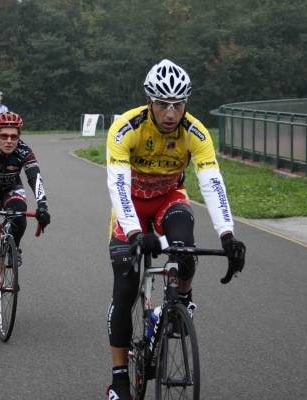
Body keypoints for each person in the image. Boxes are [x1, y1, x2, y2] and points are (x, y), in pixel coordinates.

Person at [105, 59, 246, 399]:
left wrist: (228, 234)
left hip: (170, 197)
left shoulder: (195, 132)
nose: (171, 112)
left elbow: (212, 183)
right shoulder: (126, 128)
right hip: (132, 206)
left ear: (186, 104)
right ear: (149, 101)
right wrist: (136, 234)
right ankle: (119, 380)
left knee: (184, 248)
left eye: (178, 104)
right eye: (163, 104)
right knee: (125, 288)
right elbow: (119, 186)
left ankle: (177, 302)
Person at [0, 111, 50, 313]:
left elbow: (35, 178)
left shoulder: (24, 151)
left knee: (19, 214)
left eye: (14, 136)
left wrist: (42, 205)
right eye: (4, 136)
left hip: (10, 189)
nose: (9, 141)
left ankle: (15, 248)